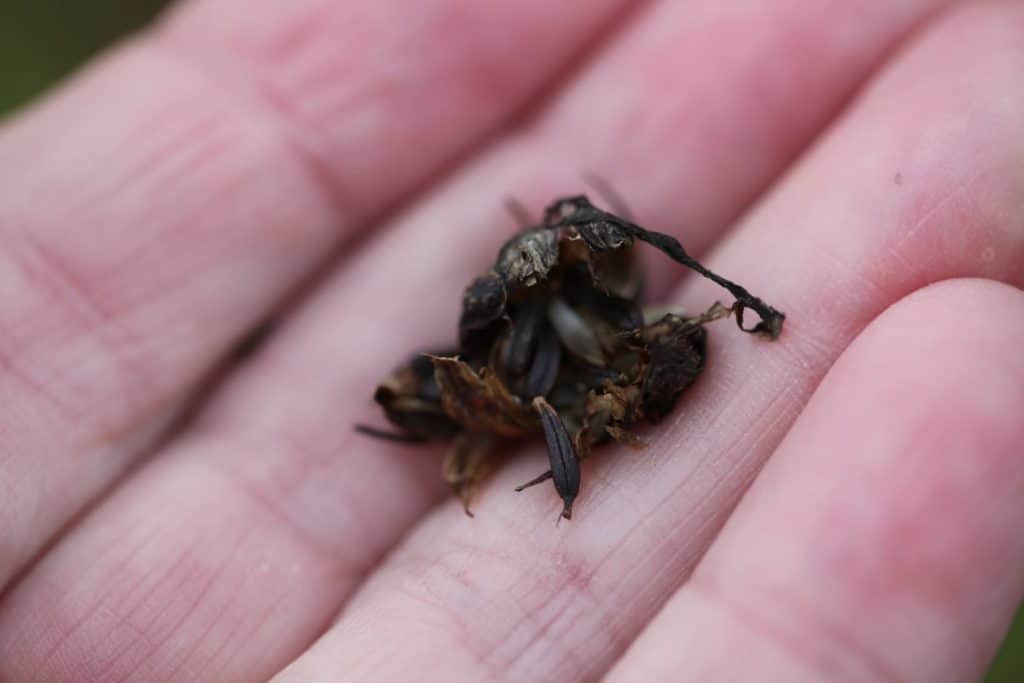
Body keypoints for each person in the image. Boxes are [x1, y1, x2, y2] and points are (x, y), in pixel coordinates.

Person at [1, 1, 1023, 681]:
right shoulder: (525, 349)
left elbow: (578, 305)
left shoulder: (576, 305)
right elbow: (532, 346)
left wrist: (716, 298)